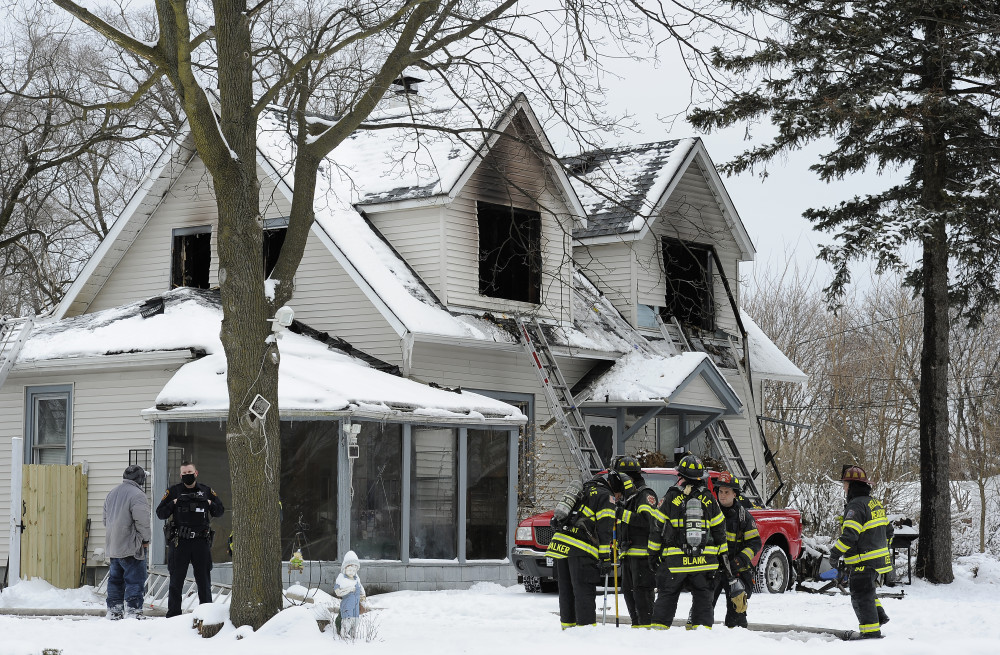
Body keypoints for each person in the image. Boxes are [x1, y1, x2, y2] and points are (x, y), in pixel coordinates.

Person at [649, 455, 727, 630]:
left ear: (681, 476)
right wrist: (722, 559)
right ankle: (700, 641)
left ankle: (657, 639)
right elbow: (720, 531)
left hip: (675, 564)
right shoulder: (709, 499)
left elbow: (656, 529)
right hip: (704, 564)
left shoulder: (670, 497)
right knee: (703, 603)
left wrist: (653, 556)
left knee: (666, 599)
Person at [546, 472, 616, 629]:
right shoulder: (606, 496)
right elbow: (605, 530)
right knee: (584, 590)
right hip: (580, 549)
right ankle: (586, 630)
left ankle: (568, 627)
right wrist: (605, 557)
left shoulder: (584, 490)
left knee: (566, 591)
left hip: (559, 546)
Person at [830, 465, 893, 640]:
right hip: (878, 561)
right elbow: (889, 531)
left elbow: (849, 536)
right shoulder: (874, 503)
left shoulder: (856, 506)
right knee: (868, 590)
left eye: (845, 484)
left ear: (852, 485)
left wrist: (835, 554)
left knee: (860, 594)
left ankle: (870, 633)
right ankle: (879, 616)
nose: (844, 487)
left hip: (863, 561)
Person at [156, 461, 225, 618]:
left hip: (201, 542)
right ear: (180, 475)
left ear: (196, 473)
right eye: (184, 473)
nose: (187, 476)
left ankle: (207, 615)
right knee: (176, 580)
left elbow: (220, 511)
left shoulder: (206, 491)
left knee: (203, 581)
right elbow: (160, 513)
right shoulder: (173, 491)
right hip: (180, 542)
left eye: (190, 472)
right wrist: (173, 503)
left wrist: (208, 503)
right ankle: (173, 615)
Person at [611, 455, 659, 628]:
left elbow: (647, 522)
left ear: (628, 478)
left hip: (642, 558)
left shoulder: (645, 495)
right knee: (630, 596)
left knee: (642, 598)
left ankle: (646, 634)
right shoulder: (628, 498)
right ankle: (636, 630)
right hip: (628, 557)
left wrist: (620, 513)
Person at [711, 471, 761, 628]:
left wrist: (739, 561)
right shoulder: (710, 512)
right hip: (712, 568)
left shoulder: (743, 516)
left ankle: (737, 642)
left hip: (735, 569)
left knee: (737, 613)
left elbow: (755, 543)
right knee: (702, 608)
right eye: (720, 491)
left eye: (727, 492)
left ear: (735, 494)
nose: (722, 495)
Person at [103, 465, 151, 620]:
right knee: (135, 580)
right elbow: (142, 521)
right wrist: (145, 539)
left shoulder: (112, 493)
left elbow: (105, 520)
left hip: (113, 546)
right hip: (131, 546)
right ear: (140, 479)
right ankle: (134, 611)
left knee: (115, 580)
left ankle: (114, 611)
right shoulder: (138, 495)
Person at [334, 550, 367, 638]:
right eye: (349, 570)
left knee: (355, 622)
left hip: (356, 607)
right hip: (347, 606)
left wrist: (363, 600)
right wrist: (349, 589)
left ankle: (353, 637)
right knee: (347, 621)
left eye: (354, 570)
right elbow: (338, 592)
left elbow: (361, 591)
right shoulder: (341, 578)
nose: (352, 572)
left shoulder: (357, 579)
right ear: (345, 569)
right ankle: (344, 636)